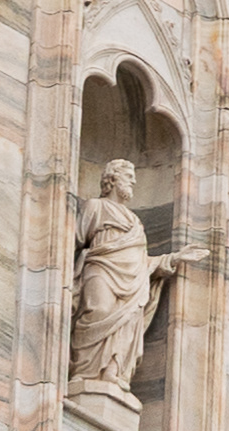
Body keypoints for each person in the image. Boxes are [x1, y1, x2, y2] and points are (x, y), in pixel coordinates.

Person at [68, 159, 169, 400]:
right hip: (100, 268)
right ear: (112, 180)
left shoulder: (135, 221)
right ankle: (84, 372)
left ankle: (113, 372)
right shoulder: (96, 206)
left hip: (132, 282)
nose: (133, 181)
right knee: (98, 310)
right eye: (128, 176)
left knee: (126, 322)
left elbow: (140, 259)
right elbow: (74, 240)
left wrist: (172, 259)